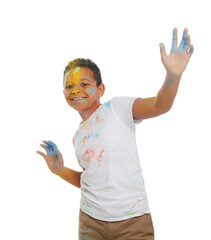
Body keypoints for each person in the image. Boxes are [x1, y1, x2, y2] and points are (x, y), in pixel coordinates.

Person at [36, 27, 194, 240]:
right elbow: (90, 180)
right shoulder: (78, 136)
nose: (75, 90)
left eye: (84, 84)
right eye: (69, 86)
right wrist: (59, 170)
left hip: (132, 222)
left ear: (100, 89)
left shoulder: (117, 108)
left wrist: (172, 76)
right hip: (90, 222)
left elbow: (160, 105)